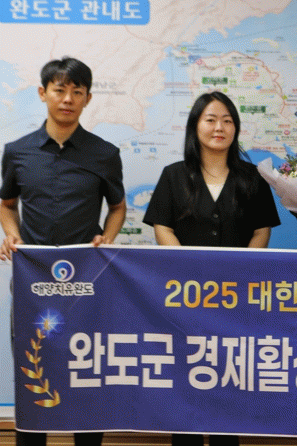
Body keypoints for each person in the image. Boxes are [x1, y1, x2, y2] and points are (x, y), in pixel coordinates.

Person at [0, 57, 126, 446]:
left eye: (77, 91)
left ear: (88, 98)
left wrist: (107, 238)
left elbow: (117, 207)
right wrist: (12, 236)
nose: (67, 99)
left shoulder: (105, 153)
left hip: (87, 282)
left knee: (87, 371)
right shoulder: (17, 151)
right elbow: (7, 204)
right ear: (43, 93)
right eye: (59, 90)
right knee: (32, 369)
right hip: (32, 282)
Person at [143, 91, 280, 445]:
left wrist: (240, 269)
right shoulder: (173, 175)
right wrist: (186, 268)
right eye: (211, 119)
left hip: (236, 298)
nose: (219, 127)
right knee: (185, 383)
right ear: (195, 126)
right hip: (184, 297)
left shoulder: (252, 178)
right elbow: (163, 227)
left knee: (226, 386)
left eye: (227, 120)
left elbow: (261, 230)